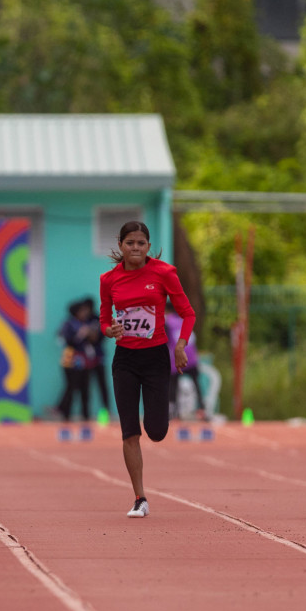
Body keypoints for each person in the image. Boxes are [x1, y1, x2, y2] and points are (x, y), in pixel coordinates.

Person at [100, 220, 195, 519]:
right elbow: (104, 319)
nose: (136, 248)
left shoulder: (164, 273)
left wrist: (180, 346)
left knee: (156, 431)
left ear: (148, 246)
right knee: (130, 432)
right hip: (125, 360)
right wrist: (110, 330)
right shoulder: (108, 280)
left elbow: (187, 313)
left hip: (155, 358)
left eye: (141, 243)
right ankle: (139, 497)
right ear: (121, 246)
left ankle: (155, 424)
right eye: (130, 243)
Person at [56, 298, 102, 434]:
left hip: (85, 360)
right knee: (71, 386)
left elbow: (95, 340)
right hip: (71, 359)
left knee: (85, 387)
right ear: (76, 312)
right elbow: (67, 341)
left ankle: (85, 415)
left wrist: (91, 334)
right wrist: (80, 334)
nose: (85, 313)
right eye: (82, 311)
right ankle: (66, 415)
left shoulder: (88, 323)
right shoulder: (68, 324)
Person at [164, 302, 203, 423]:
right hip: (191, 358)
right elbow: (193, 338)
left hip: (177, 358)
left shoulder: (167, 322)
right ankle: (202, 410)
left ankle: (174, 413)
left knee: (173, 386)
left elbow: (166, 341)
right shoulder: (183, 320)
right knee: (196, 384)